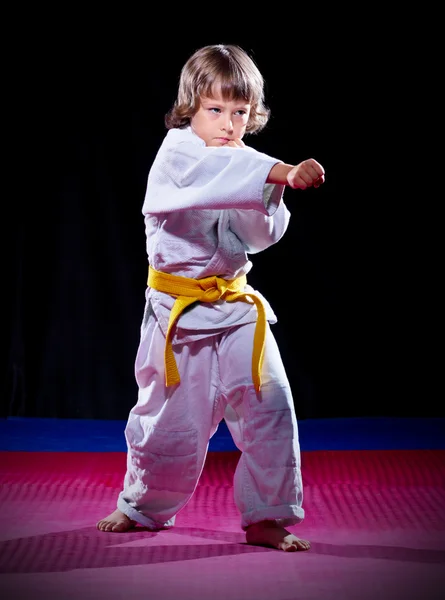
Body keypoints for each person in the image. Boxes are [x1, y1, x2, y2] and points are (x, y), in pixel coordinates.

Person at [97, 43, 325, 552]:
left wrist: (274, 184)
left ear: (254, 113)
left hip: (238, 306)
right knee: (171, 420)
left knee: (271, 408)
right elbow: (210, 179)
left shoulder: (245, 161)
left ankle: (267, 516)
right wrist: (281, 172)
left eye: (240, 112)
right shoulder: (177, 153)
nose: (228, 123)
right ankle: (142, 504)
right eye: (215, 110)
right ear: (190, 108)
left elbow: (258, 235)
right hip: (179, 312)